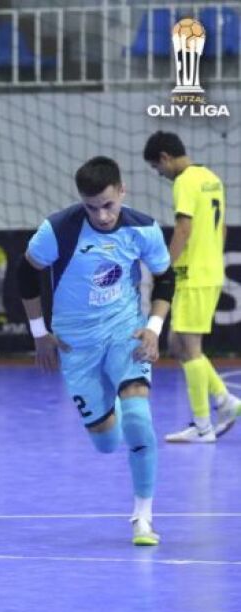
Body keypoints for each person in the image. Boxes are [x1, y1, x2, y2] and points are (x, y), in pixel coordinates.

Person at [18, 156, 173, 545]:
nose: (102, 216)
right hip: (76, 344)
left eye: (108, 205)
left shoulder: (143, 229)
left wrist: (153, 328)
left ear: (122, 191)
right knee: (106, 443)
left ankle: (143, 518)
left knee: (138, 419)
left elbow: (165, 277)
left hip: (125, 331)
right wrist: (39, 333)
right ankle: (113, 401)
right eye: (92, 208)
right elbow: (26, 272)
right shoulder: (58, 230)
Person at [143, 131, 240, 443]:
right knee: (176, 344)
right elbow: (222, 229)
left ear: (165, 158)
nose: (160, 174)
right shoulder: (211, 178)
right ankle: (225, 401)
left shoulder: (184, 181)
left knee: (190, 348)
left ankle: (203, 426)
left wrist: (164, 268)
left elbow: (183, 229)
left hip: (193, 275)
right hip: (207, 272)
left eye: (157, 168)